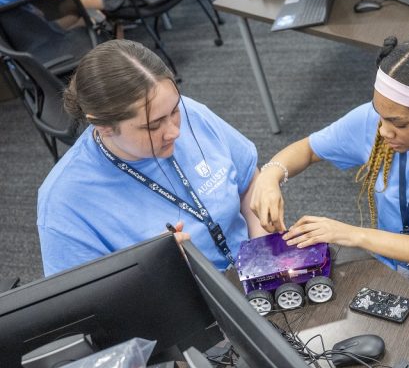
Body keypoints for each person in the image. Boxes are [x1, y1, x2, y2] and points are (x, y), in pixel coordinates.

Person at [251, 32, 409, 323]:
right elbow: (308, 150)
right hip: (393, 274)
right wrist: (271, 175)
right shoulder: (372, 123)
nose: (384, 131)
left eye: (399, 123)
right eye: (380, 116)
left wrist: (353, 234)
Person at [37, 39, 265, 276]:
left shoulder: (190, 112)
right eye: (153, 126)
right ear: (103, 126)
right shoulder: (64, 202)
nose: (175, 131)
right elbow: (82, 304)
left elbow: (250, 180)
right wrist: (151, 271)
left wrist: (262, 255)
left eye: (174, 111)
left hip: (252, 269)